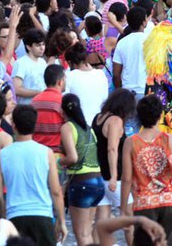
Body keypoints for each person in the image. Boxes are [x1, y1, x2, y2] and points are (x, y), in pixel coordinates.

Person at [121, 95, 172, 246]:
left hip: (143, 204)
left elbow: (126, 179)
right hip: (170, 202)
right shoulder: (171, 140)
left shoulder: (130, 142)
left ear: (138, 116)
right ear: (161, 115)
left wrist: (123, 208)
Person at [0, 104, 67, 246]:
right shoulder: (46, 152)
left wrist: (2, 218)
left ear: (13, 125)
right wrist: (62, 221)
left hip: (14, 216)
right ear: (35, 126)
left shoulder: (3, 154)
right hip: (42, 215)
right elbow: (56, 191)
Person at [59, 93, 106, 246]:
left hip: (81, 183)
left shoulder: (67, 127)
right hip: (98, 182)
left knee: (82, 236)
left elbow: (73, 157)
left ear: (62, 110)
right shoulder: (88, 129)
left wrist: (58, 162)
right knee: (88, 232)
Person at [92, 88, 137, 234]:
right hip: (114, 178)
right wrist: (113, 176)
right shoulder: (115, 121)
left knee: (101, 221)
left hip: (98, 174)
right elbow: (112, 148)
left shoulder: (98, 117)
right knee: (129, 218)